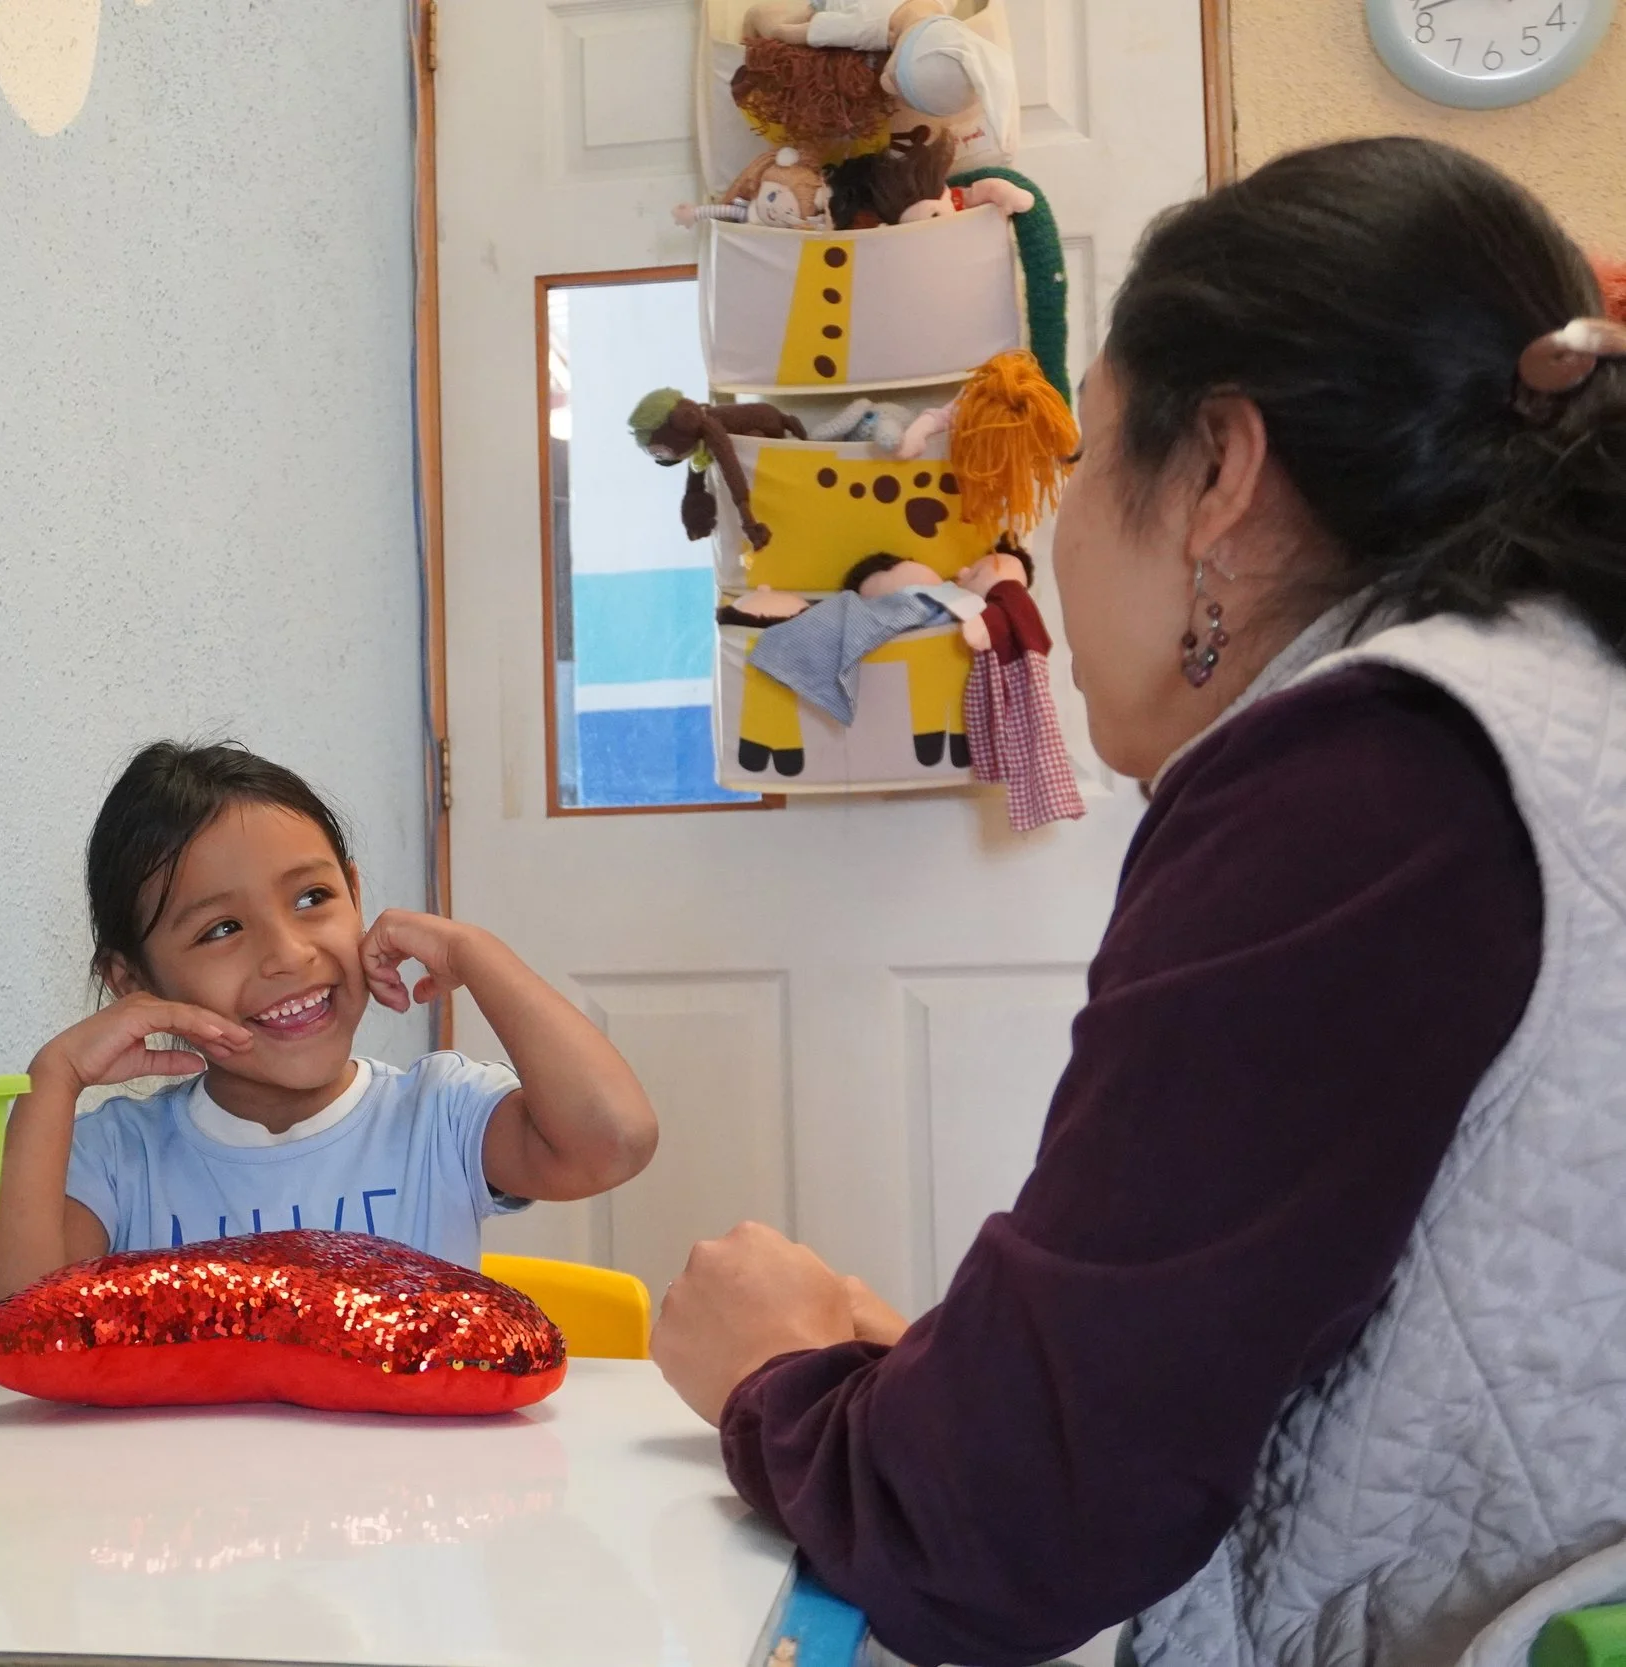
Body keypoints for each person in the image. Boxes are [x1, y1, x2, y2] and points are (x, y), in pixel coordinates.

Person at [649, 136, 1626, 1667]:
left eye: (1087, 456)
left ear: (1220, 472)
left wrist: (775, 1376)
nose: (1046, 526)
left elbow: (1000, 1532)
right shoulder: (1558, 705)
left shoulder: (1369, 776)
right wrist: (923, 1382)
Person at [0, 741, 659, 1304]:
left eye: (313, 897)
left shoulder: (438, 1118)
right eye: (222, 928)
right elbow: (15, 1332)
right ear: (132, 981)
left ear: (357, 894)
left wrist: (476, 954)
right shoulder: (115, 1159)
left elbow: (615, 1139)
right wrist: (53, 1080)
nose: (288, 954)